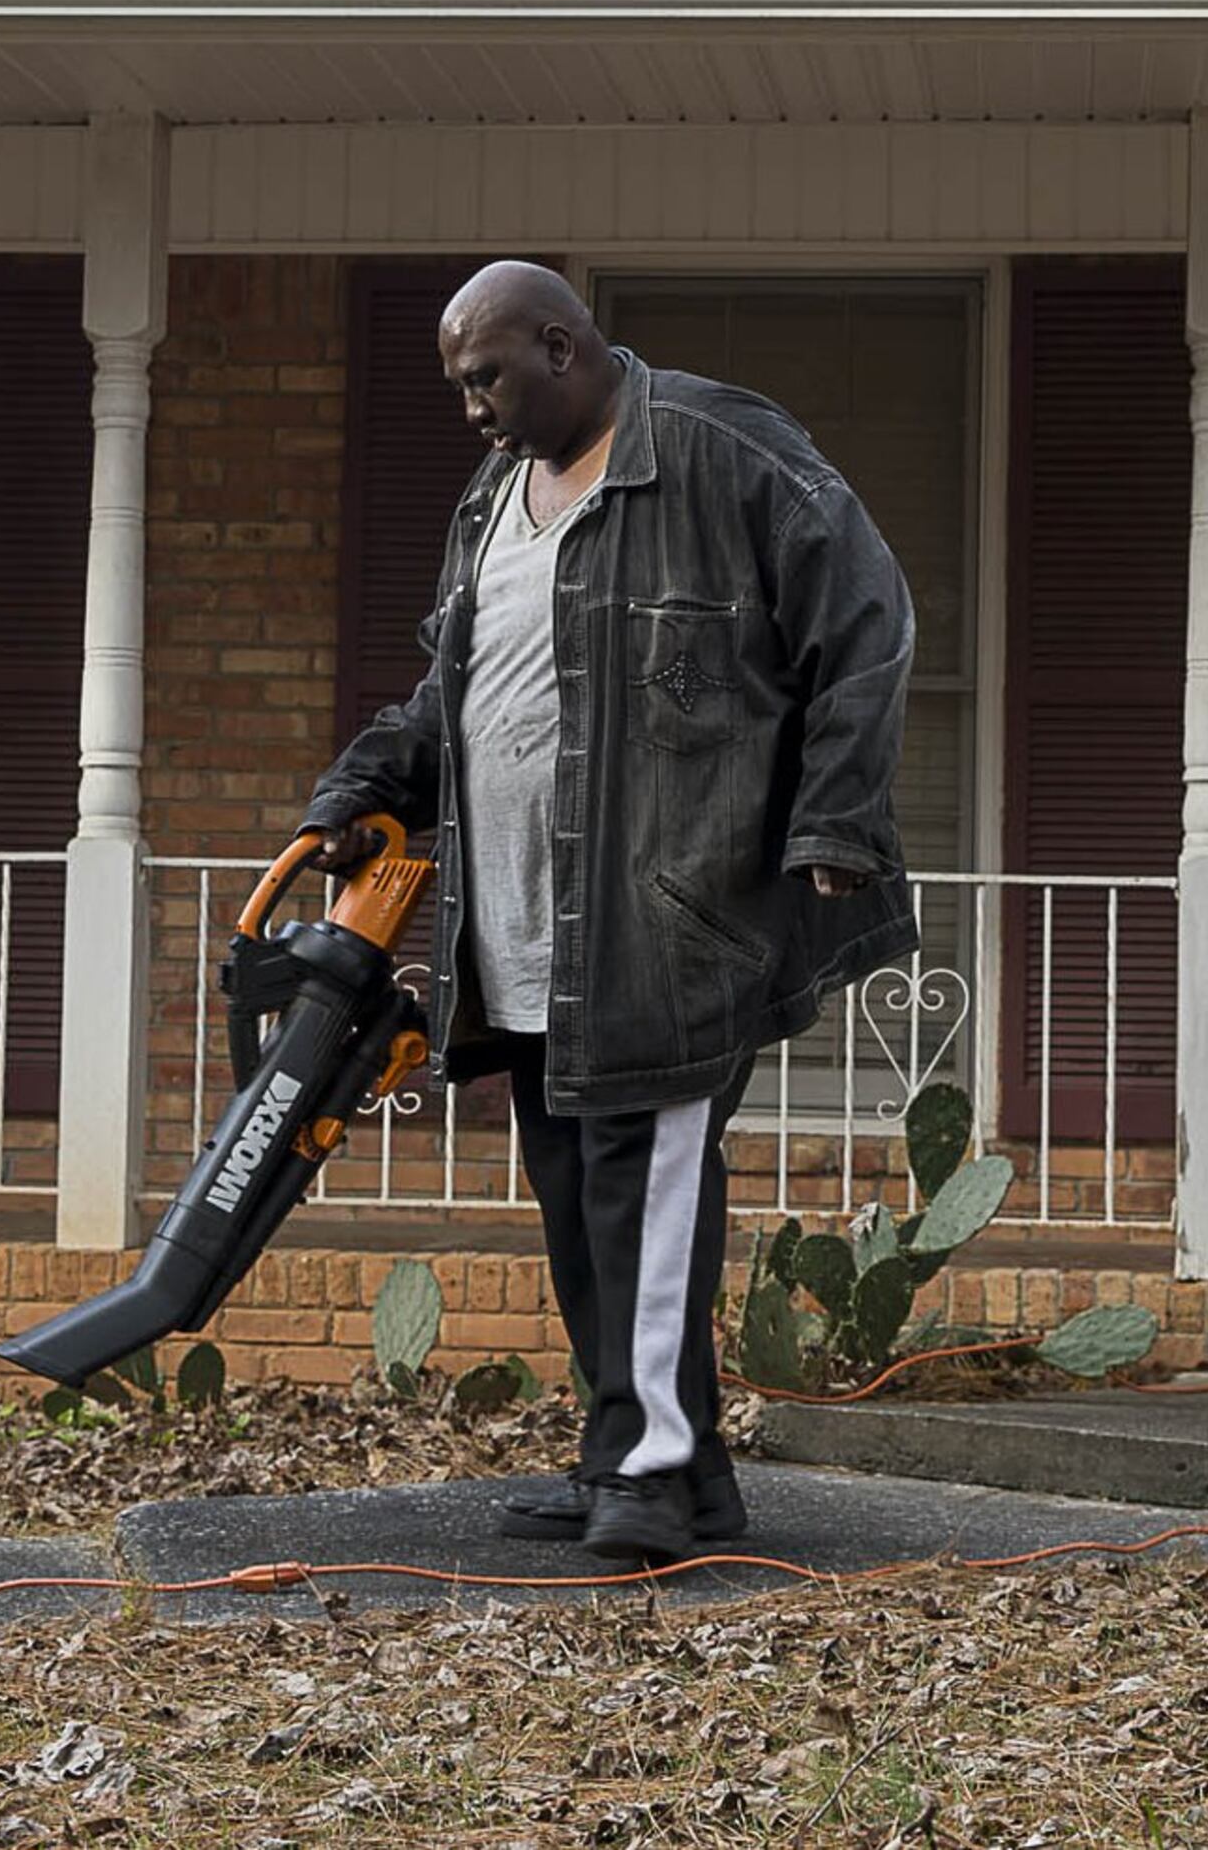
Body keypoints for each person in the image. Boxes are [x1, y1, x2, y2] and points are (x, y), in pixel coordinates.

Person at [304, 261, 918, 1565]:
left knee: (648, 1197)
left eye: (486, 377)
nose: (470, 406)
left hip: (675, 913)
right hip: (523, 926)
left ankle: (649, 1465)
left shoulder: (715, 443)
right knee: (583, 1201)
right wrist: (359, 788)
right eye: (459, 385)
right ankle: (649, 1466)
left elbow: (865, 617)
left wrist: (836, 819)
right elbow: (453, 690)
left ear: (562, 344)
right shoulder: (492, 500)